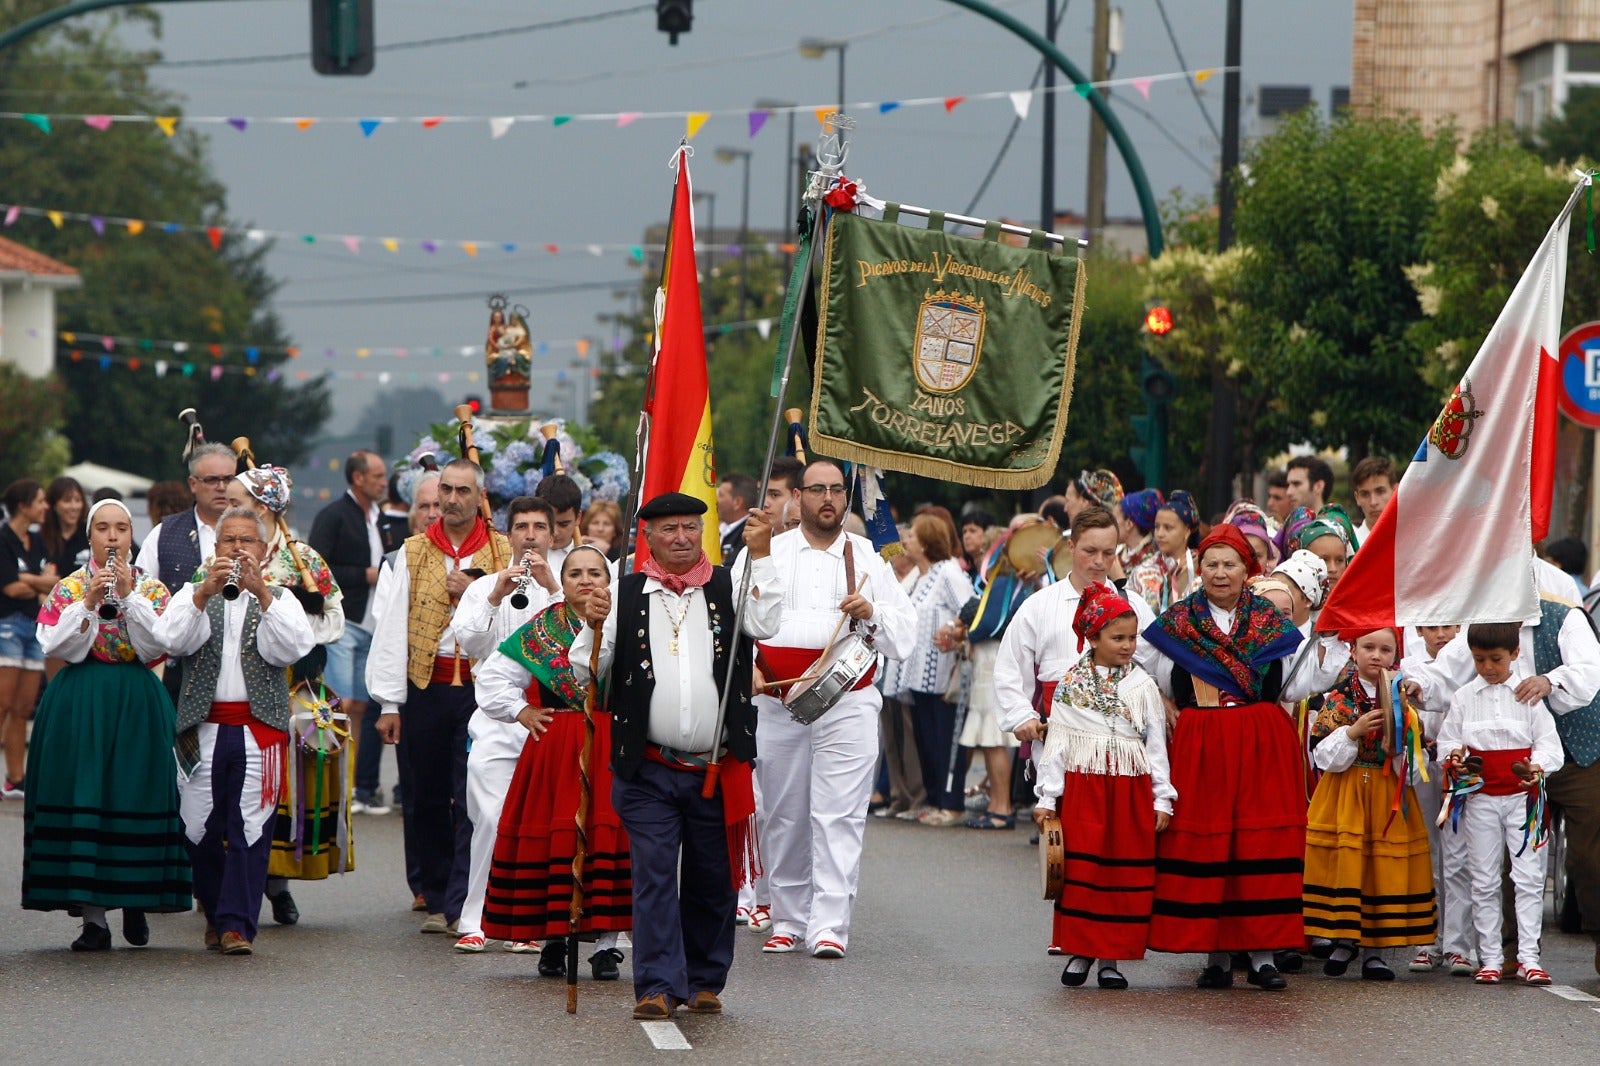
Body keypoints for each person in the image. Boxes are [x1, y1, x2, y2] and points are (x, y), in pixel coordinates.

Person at [573, 491, 782, 1019]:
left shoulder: (730, 583)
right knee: (656, 874)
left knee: (713, 877)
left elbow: (767, 624)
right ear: (648, 537)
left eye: (691, 527)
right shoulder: (622, 593)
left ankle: (707, 977)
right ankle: (658, 985)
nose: (682, 537)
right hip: (646, 767)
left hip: (718, 764)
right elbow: (584, 670)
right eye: (670, 530)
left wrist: (765, 557)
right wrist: (592, 625)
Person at [1140, 524, 1322, 991]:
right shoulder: (1177, 624)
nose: (1220, 573)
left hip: (1261, 742)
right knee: (1208, 844)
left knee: (1259, 845)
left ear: (1249, 569)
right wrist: (1171, 707)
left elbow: (1298, 686)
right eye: (1212, 564)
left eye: (1230, 564)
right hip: (1202, 745)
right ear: (1198, 569)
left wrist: (1325, 643)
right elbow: (1152, 678)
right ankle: (1216, 956)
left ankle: (1263, 957)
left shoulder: (1270, 622)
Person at [750, 461, 915, 959]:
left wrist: (873, 612)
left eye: (836, 490)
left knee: (838, 815)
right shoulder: (766, 551)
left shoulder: (868, 555)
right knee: (783, 812)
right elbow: (734, 619)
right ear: (796, 497)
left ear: (846, 497)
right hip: (779, 702)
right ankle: (787, 919)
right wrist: (745, 671)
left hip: (848, 699)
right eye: (817, 489)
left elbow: (904, 633)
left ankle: (829, 925)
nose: (828, 498)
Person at [1406, 578, 1600, 978]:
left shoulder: (1565, 617)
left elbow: (1590, 670)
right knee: (1504, 865)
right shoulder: (1486, 622)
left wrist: (1550, 681)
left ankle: (1598, 934)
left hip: (1577, 750)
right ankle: (1509, 952)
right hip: (1502, 774)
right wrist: (1417, 685)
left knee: (1587, 854)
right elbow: (1446, 676)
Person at [22, 498, 192, 950]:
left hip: (137, 698)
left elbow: (159, 645)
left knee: (134, 793)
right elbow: (54, 645)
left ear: (131, 535)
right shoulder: (67, 588)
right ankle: (94, 920)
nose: (113, 537)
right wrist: (90, 602)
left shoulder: (152, 590)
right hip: (82, 698)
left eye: (121, 528)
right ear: (90, 536)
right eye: (103, 528)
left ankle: (135, 901)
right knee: (88, 794)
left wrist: (129, 598)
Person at [154, 506, 316, 954]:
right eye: (230, 541)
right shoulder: (192, 593)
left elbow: (292, 648)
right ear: (215, 547)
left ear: (263, 552)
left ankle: (235, 926)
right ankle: (214, 905)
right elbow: (172, 641)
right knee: (196, 830)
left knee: (251, 829)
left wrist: (261, 592)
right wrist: (205, 592)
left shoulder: (280, 598)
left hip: (257, 730)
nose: (239, 548)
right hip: (201, 729)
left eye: (248, 541)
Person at [367, 459, 510, 935]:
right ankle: (434, 893)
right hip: (426, 686)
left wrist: (476, 592)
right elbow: (389, 630)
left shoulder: (502, 552)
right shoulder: (411, 552)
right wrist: (389, 703)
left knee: (474, 794)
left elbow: (517, 622)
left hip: (481, 687)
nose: (451, 499)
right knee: (426, 793)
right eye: (445, 490)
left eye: (462, 491)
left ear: (479, 496)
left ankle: (467, 897)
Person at [475, 545, 632, 975]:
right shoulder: (543, 626)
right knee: (558, 838)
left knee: (607, 837)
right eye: (575, 573)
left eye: (596, 573)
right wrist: (520, 710)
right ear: (561, 584)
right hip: (557, 744)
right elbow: (492, 679)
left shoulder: (628, 622)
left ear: (609, 580)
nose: (586, 581)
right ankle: (554, 938)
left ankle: (605, 944)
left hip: (611, 745)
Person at [1034, 583, 1173, 989]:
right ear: (1092, 638)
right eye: (1118, 638)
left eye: (1132, 638)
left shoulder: (1143, 686)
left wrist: (1162, 797)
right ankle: (1081, 952)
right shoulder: (1070, 685)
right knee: (1085, 872)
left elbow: (1156, 745)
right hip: (1084, 791)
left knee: (1122, 876)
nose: (1128, 645)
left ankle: (1112, 958)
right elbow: (1057, 745)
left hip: (1130, 791)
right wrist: (1047, 796)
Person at [226, 467, 348, 926]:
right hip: (237, 683)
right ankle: (236, 880)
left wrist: (291, 623)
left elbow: (335, 620)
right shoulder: (224, 551)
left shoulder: (304, 559)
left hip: (294, 682)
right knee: (238, 783)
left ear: (261, 508)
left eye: (237, 497)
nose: (227, 503)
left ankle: (278, 882)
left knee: (288, 786)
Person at [447, 496, 560, 954]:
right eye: (521, 527)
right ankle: (474, 916)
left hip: (551, 719)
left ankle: (527, 922)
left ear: (553, 536)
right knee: (491, 818)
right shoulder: (484, 586)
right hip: (497, 719)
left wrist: (553, 589)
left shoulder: (565, 584)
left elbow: (583, 639)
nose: (530, 535)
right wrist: (495, 593)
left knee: (540, 823)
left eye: (539, 527)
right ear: (508, 535)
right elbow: (468, 641)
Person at [1435, 622, 1565, 985]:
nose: (1488, 667)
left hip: (1524, 799)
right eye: (1479, 660)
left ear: (1514, 654)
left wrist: (1536, 767)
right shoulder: (1464, 697)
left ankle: (1528, 957)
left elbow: (1549, 745)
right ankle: (1490, 957)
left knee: (1528, 878)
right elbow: (1447, 742)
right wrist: (1455, 757)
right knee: (1484, 878)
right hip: (1480, 800)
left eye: (1496, 659)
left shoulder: (1527, 697)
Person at [1302, 627, 1435, 981]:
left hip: (1387, 793)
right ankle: (1344, 940)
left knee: (1381, 866)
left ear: (1396, 656)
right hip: (1345, 792)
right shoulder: (1338, 698)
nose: (1377, 656)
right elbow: (1322, 755)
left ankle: (1376, 952)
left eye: (1386, 650)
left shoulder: (1402, 699)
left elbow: (1416, 755)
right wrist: (1352, 731)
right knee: (1348, 862)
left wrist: (1402, 744)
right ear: (1353, 651)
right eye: (1369, 648)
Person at [995, 507, 1159, 765]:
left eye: (1108, 553)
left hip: (1121, 744)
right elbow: (1010, 666)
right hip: (1059, 745)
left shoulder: (1133, 605)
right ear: (1071, 547)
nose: (1099, 561)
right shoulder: (1039, 605)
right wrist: (1021, 715)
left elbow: (1154, 667)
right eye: (1090, 551)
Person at [309, 450, 389, 816]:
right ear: (358, 478)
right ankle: (331, 784)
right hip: (345, 623)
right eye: (377, 475)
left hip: (374, 623)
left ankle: (356, 787)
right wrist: (364, 574)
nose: (384, 481)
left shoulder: (379, 516)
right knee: (339, 706)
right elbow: (316, 568)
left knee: (361, 705)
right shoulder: (333, 515)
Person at [887, 514, 978, 827]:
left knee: (944, 739)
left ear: (925, 542)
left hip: (943, 674)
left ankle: (952, 804)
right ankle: (933, 798)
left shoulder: (948, 572)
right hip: (918, 674)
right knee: (926, 740)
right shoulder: (920, 577)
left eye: (911, 535)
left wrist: (953, 626)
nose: (906, 540)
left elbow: (971, 609)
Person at [1400, 623, 1472, 976]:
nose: (1441, 634)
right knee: (1427, 851)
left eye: (1449, 626)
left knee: (1457, 855)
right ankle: (1427, 940)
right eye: (1432, 627)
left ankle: (1458, 944)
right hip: (1422, 766)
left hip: (1458, 769)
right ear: (1419, 631)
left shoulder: (1466, 663)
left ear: (1460, 628)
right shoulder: (1410, 666)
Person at [1, 479, 57, 798]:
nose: (45, 507)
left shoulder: (37, 541)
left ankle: (16, 778)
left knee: (23, 707)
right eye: (40, 501)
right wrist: (38, 582)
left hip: (34, 627)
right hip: (6, 625)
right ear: (23, 505)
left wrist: (27, 580)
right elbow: (9, 588)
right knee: (2, 703)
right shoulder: (2, 538)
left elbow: (51, 582)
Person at [1127, 490, 1200, 615]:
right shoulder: (1142, 572)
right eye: (1157, 527)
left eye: (1168, 528)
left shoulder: (1201, 569)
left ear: (1187, 531)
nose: (1159, 534)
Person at [40, 476, 88, 578]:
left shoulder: (91, 535)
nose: (74, 507)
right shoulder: (40, 538)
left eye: (78, 500)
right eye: (67, 501)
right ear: (54, 505)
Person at [534, 473, 583, 574]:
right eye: (547, 523)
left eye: (563, 524)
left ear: (578, 518)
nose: (555, 532)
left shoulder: (596, 560)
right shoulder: (516, 554)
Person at [1112, 489, 1163, 579]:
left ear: (1128, 524)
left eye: (1114, 519)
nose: (1109, 525)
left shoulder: (1153, 563)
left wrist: (1118, 579)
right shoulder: (1117, 551)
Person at [1349, 456, 1395, 544]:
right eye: (1365, 494)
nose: (1373, 502)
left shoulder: (1411, 542)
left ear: (1394, 492)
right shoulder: (1349, 549)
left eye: (1380, 491)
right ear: (1357, 498)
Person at [717, 474, 757, 561]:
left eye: (720, 495)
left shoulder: (750, 535)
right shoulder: (719, 529)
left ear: (737, 502)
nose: (715, 500)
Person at [581, 498, 624, 563]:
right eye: (595, 523)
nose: (600, 529)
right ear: (587, 527)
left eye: (606, 524)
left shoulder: (625, 554)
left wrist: (609, 551)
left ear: (615, 530)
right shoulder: (574, 547)